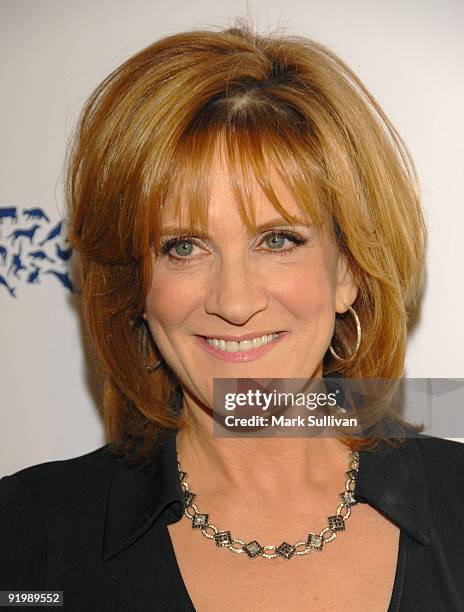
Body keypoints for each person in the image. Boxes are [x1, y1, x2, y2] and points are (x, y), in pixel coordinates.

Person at [1, 22, 463, 611]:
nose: (235, 302)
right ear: (135, 287)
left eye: (277, 240)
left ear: (348, 268)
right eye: (184, 247)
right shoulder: (28, 540)